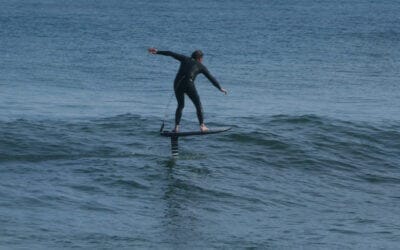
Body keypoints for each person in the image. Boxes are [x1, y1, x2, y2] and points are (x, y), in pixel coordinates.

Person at [148, 48, 227, 132]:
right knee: (198, 104)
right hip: (189, 85)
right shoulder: (201, 66)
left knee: (180, 105)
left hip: (177, 83)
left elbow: (170, 53)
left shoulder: (184, 58)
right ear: (200, 58)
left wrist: (157, 52)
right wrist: (220, 88)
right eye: (202, 59)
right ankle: (202, 126)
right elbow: (211, 78)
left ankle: (176, 127)